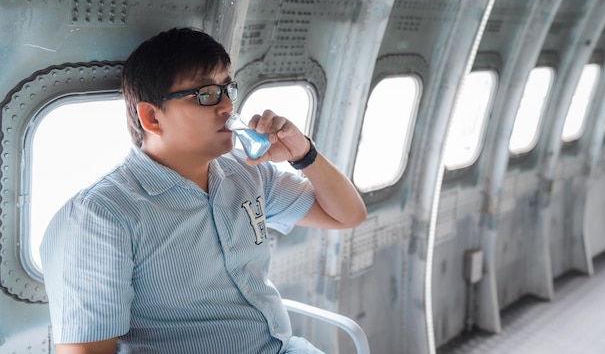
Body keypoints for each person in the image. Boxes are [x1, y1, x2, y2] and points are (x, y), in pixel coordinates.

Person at [39, 27, 367, 353]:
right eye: (206, 94)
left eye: (228, 89)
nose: (227, 106)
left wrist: (303, 154)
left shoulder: (246, 173)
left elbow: (347, 215)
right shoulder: (100, 216)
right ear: (151, 117)